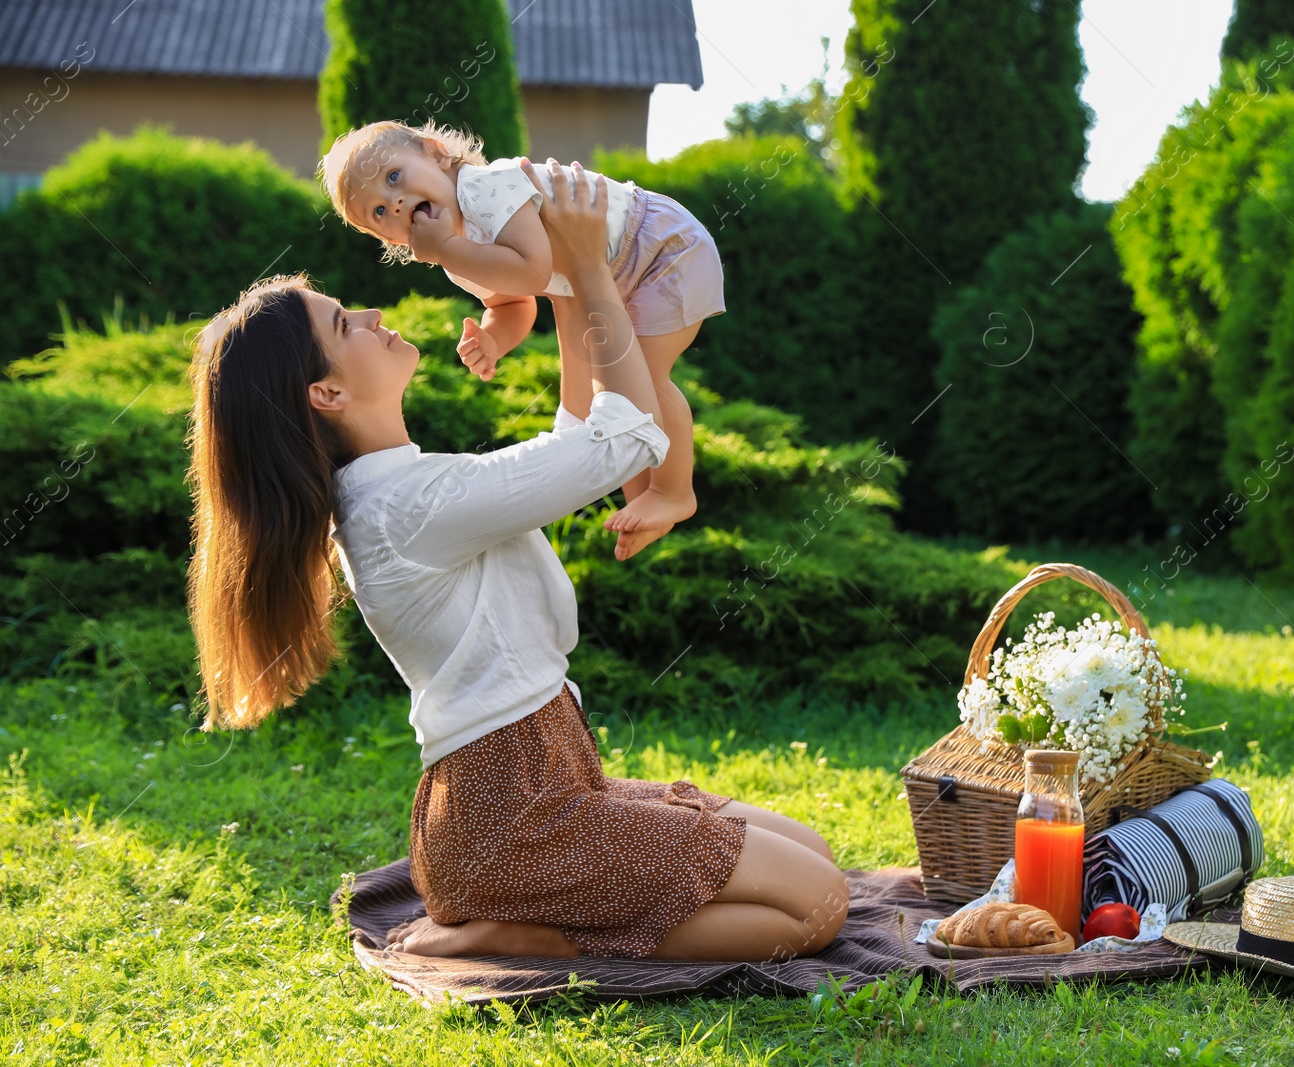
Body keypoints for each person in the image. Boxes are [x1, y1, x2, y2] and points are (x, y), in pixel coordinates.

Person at [186, 162, 847, 962]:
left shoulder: (402, 489)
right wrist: (595, 270)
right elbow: (631, 434)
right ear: (324, 393)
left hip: (542, 788)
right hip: (513, 815)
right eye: (344, 322)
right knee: (818, 907)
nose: (371, 310)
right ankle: (533, 935)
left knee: (810, 847)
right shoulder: (406, 507)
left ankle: (520, 909)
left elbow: (578, 437)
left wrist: (567, 272)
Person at [319, 121, 721, 561]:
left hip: (662, 248)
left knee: (644, 374)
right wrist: (492, 337)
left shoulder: (485, 189)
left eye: (394, 176)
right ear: (390, 241)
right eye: (378, 212)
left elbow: (532, 270)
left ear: (435, 153)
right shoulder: (458, 255)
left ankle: (674, 491)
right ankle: (643, 495)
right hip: (621, 270)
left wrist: (448, 250)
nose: (393, 202)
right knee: (611, 387)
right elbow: (516, 303)